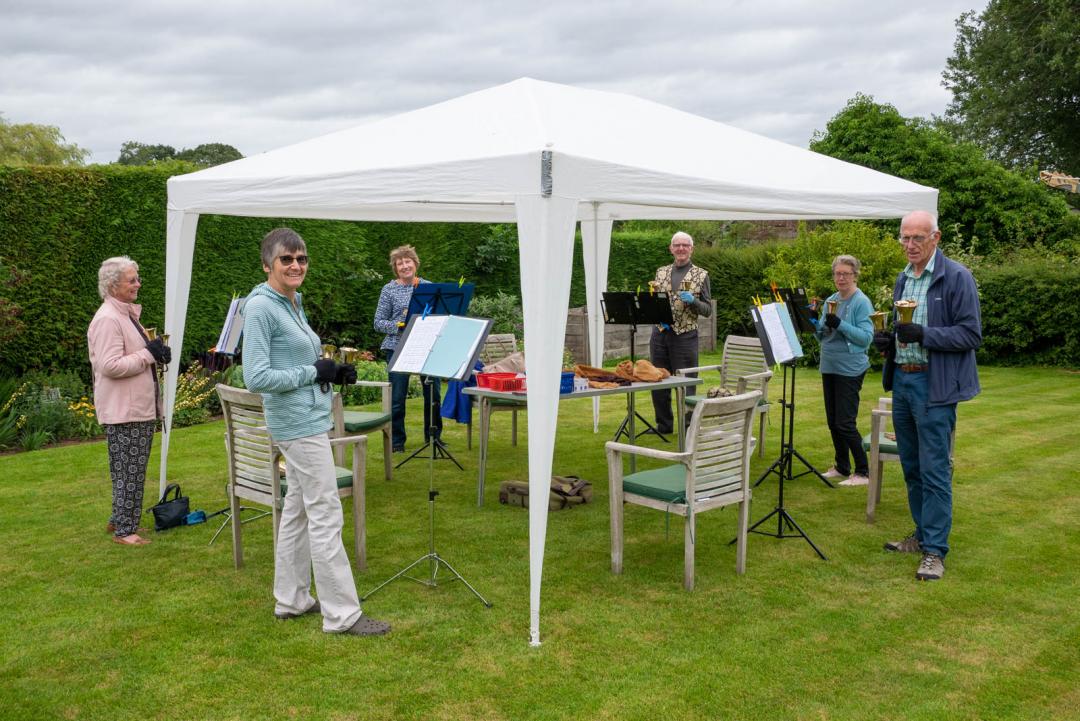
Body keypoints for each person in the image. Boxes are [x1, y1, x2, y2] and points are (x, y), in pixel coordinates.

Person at [243, 227, 390, 636]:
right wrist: (313, 371)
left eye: (301, 259)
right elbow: (255, 376)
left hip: (307, 415)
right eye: (286, 259)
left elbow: (300, 362)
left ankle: (291, 599)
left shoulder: (292, 302)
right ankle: (342, 614)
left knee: (299, 510)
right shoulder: (261, 308)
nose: (295, 265)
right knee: (326, 511)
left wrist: (332, 371)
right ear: (267, 264)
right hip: (297, 424)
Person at [873, 210, 981, 582]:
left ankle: (935, 551)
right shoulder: (903, 278)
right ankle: (921, 535)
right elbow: (906, 332)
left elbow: (971, 334)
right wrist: (887, 343)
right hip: (903, 380)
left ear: (935, 238)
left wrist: (925, 335)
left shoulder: (957, 277)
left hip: (934, 385)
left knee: (935, 469)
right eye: (904, 238)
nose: (910, 245)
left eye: (918, 238)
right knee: (912, 467)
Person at [88, 257, 171, 547]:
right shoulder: (109, 318)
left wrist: (156, 352)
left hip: (133, 407)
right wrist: (149, 354)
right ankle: (125, 530)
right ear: (113, 285)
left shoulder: (124, 314)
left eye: (137, 278)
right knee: (130, 470)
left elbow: (134, 354)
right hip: (127, 410)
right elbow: (109, 365)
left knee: (126, 468)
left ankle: (118, 519)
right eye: (132, 280)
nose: (138, 284)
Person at [373, 244, 442, 452]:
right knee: (397, 397)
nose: (404, 266)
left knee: (434, 394)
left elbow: (439, 317)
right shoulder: (389, 289)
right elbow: (378, 322)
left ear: (415, 263)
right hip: (397, 346)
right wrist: (399, 325)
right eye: (400, 263)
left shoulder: (429, 287)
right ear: (395, 268)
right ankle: (396, 442)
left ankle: (434, 438)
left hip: (426, 346)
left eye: (407, 261)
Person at [812, 255, 874, 487]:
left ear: (855, 275)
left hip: (850, 368)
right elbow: (821, 335)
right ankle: (841, 466)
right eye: (837, 273)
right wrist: (815, 323)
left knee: (845, 422)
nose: (841, 278)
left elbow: (866, 338)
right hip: (830, 365)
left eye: (846, 274)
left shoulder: (861, 302)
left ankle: (863, 471)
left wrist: (839, 324)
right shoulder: (831, 299)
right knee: (832, 421)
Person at [650, 231, 712, 434]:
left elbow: (707, 310)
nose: (681, 248)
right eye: (677, 245)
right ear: (671, 248)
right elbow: (653, 301)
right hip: (660, 335)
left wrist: (694, 301)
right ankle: (664, 425)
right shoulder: (660, 272)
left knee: (686, 384)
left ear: (691, 249)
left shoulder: (701, 275)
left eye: (685, 245)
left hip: (685, 336)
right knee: (658, 381)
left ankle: (689, 428)